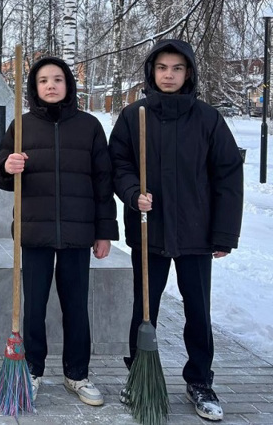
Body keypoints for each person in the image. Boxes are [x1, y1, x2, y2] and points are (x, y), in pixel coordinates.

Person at [109, 39, 243, 421]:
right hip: (150, 230)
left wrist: (224, 234)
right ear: (152, 71)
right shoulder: (134, 116)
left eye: (177, 69)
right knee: (144, 308)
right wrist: (133, 193)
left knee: (198, 310)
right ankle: (140, 375)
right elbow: (118, 163)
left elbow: (228, 176)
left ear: (189, 74)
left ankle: (199, 380)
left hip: (196, 234)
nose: (169, 75)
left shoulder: (207, 119)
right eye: (163, 68)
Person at [0, 56, 118, 406]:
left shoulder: (90, 127)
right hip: (35, 232)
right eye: (44, 80)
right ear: (34, 87)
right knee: (33, 307)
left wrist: (104, 232)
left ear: (69, 85)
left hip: (78, 235)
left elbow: (102, 182)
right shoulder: (21, 127)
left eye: (58, 79)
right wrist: (8, 166)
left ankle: (76, 374)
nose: (51, 85)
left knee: (76, 307)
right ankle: (31, 370)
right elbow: (1, 177)